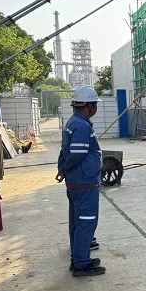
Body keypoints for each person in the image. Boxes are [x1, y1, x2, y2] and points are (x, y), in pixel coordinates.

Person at [56, 86, 106, 277]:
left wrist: (62, 169)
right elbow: (76, 154)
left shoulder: (73, 122)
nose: (96, 108)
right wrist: (66, 168)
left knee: (77, 223)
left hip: (77, 183)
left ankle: (79, 258)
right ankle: (81, 264)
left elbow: (64, 151)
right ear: (89, 106)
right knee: (86, 223)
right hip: (84, 182)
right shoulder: (81, 126)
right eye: (95, 105)